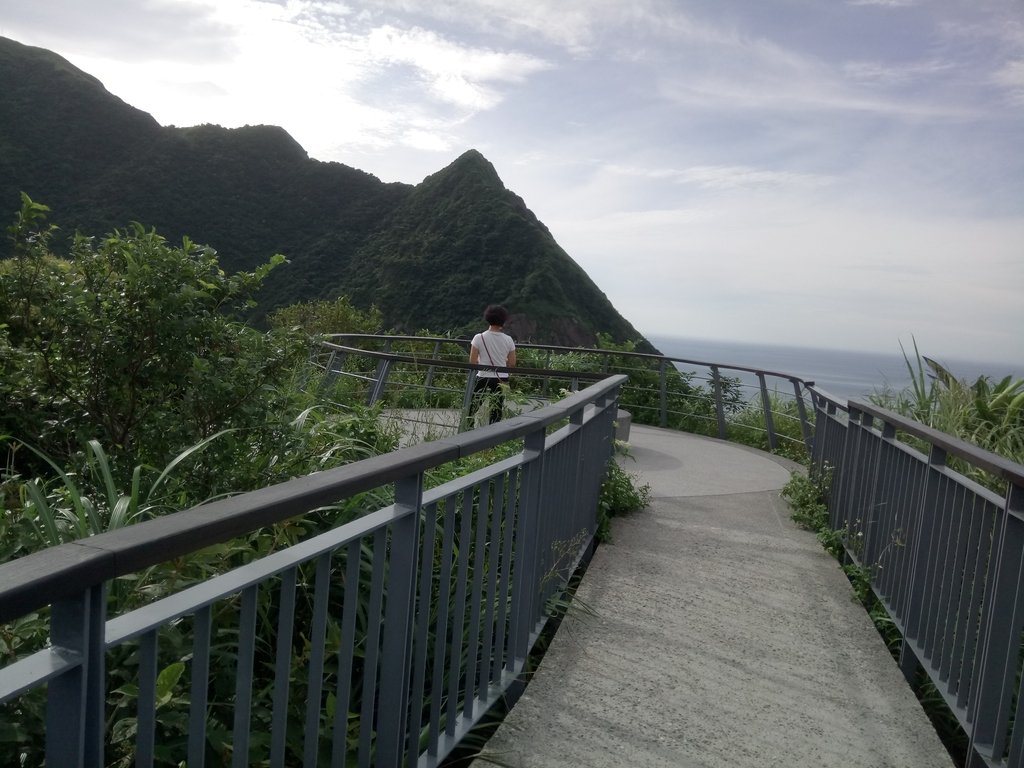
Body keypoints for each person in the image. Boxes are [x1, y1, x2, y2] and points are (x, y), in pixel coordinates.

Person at [469, 304, 516, 424]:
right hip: (501, 378)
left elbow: (472, 362)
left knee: (473, 407)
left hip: (483, 376)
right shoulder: (508, 340)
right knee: (496, 410)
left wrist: (482, 360)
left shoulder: (478, 338)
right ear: (503, 320)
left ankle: (466, 433)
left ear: (487, 318)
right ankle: (493, 439)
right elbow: (512, 364)